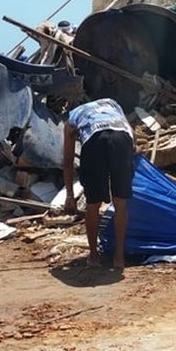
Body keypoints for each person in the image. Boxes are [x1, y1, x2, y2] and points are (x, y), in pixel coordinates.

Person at [63, 98, 136, 269]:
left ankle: (94, 257)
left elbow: (67, 161)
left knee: (93, 203)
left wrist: (70, 196)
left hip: (94, 140)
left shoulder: (72, 118)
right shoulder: (112, 103)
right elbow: (133, 137)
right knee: (121, 203)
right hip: (122, 137)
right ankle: (119, 259)